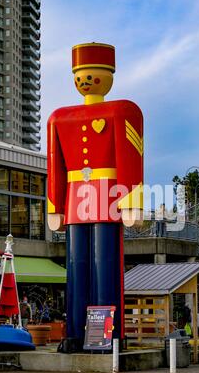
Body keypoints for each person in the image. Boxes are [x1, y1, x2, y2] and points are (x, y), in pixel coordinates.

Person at [47, 42, 144, 352]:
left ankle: (107, 337)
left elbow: (131, 155)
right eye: (80, 75)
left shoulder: (123, 110)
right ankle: (75, 333)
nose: (85, 81)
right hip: (77, 201)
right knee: (76, 267)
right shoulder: (58, 118)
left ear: (108, 75)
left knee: (105, 264)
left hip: (107, 196)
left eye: (90, 75)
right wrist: (54, 205)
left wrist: (131, 200)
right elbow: (55, 165)